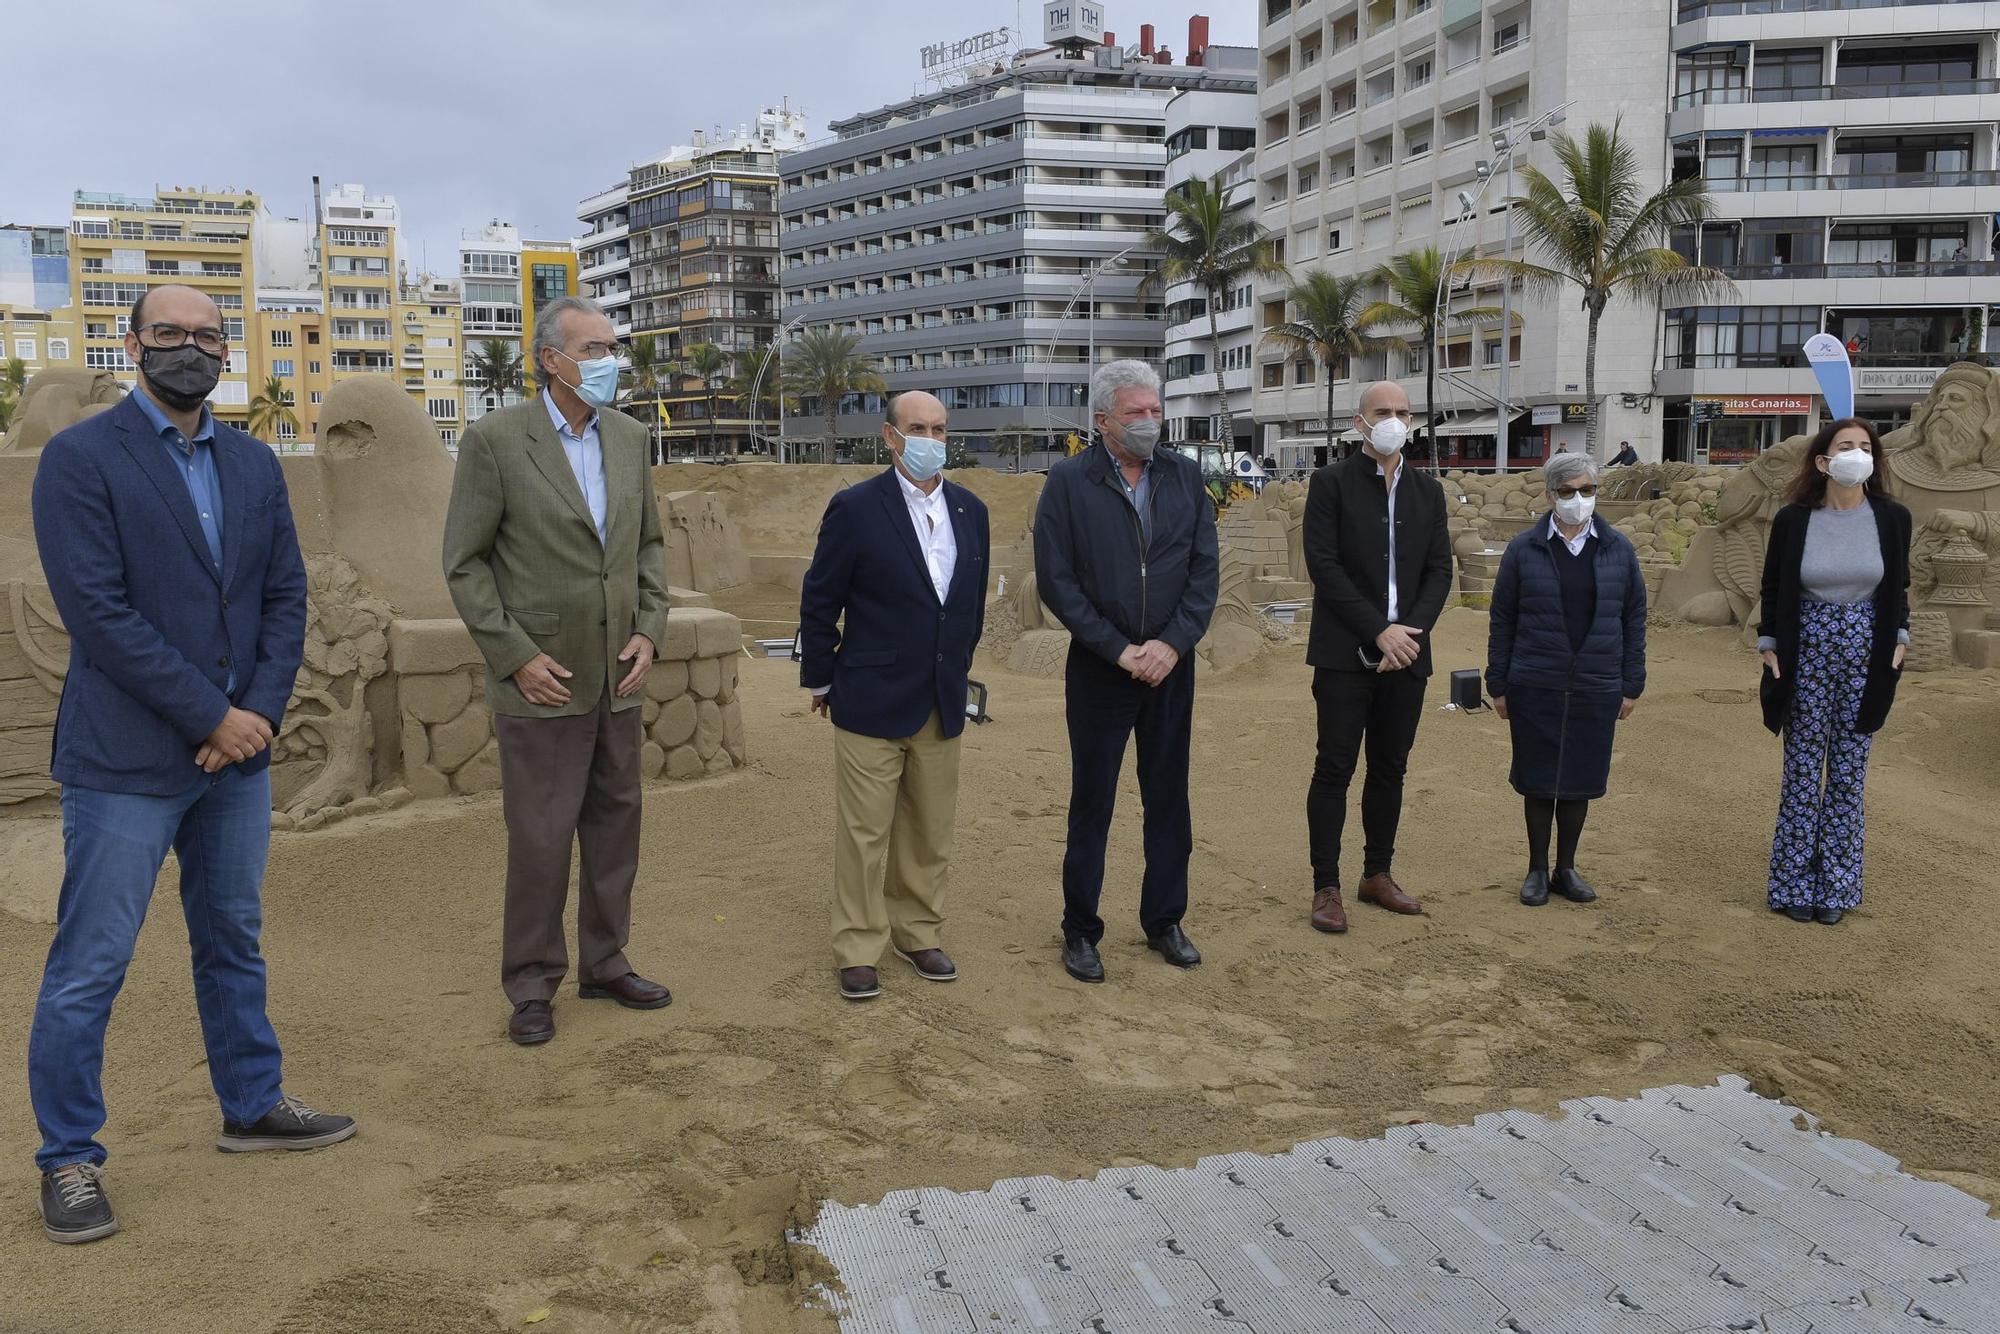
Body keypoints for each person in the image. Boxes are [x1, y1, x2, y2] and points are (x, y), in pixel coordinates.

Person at [27, 284, 355, 1245]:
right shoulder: (80, 459)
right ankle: (71, 1159)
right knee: (91, 963)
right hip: (127, 757)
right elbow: (98, 612)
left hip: (235, 759)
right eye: (168, 333)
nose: (190, 349)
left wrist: (251, 715)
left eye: (208, 336)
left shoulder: (254, 463)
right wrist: (214, 713)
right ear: (131, 344)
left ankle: (251, 1104)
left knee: (233, 938)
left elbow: (285, 598)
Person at [443, 295, 671, 1045]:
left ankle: (606, 961)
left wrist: (649, 631)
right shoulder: (495, 441)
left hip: (618, 674)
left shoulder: (633, 440)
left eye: (612, 348)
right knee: (540, 839)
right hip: (541, 676)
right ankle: (533, 984)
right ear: (550, 359)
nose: (609, 362)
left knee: (616, 829)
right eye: (594, 349)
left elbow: (646, 550)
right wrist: (515, 656)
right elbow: (466, 564)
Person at [798, 391, 990, 1000]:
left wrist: (959, 671)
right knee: (864, 832)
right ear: (890, 436)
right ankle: (857, 945)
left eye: (938, 427)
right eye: (917, 428)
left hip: (940, 695)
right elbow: (821, 597)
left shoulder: (971, 510)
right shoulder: (855, 508)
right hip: (870, 696)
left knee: (930, 827)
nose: (930, 438)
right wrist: (822, 679)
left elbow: (969, 603)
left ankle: (918, 931)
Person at [1034, 360, 1218, 984]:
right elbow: (1058, 582)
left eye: (1155, 411)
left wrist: (1172, 644)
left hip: (1170, 669)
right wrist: (1117, 649)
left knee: (1169, 798)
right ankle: (1081, 929)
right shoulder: (1067, 483)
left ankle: (1164, 919)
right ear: (1103, 420)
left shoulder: (1186, 478)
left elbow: (1203, 572)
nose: (1149, 423)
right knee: (1094, 801)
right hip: (1101, 670)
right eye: (1136, 413)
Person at [1301, 380, 1452, 933]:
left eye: (1404, 412)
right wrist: (1377, 631)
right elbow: (1324, 566)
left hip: (1407, 655)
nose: (1394, 420)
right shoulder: (1330, 484)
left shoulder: (1427, 493)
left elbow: (1440, 570)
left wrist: (1408, 634)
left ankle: (1377, 874)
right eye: (1383, 411)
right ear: (1359, 421)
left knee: (1390, 767)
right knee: (1334, 768)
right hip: (1345, 654)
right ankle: (1327, 885)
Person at [1756, 418, 1911, 925]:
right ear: (1823, 461)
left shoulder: (1892, 518)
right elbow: (1774, 587)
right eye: (1846, 446)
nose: (1857, 454)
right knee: (1802, 770)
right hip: (1805, 649)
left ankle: (1838, 887)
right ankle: (1793, 883)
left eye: (1865, 447)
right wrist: (1769, 643)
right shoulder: (1794, 520)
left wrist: (1900, 641)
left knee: (1847, 774)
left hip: (1867, 650)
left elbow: (1898, 589)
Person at [1486, 455, 1647, 907]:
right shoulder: (1524, 549)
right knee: (1539, 778)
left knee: (1579, 778)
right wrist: (1497, 682)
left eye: (1587, 490)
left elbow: (1634, 616)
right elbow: (1503, 618)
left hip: (1597, 681)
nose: (1579, 500)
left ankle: (1566, 867)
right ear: (1550, 495)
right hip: (1535, 679)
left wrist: (1632, 682)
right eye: (1568, 491)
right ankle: (1537, 868)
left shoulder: (1617, 548)